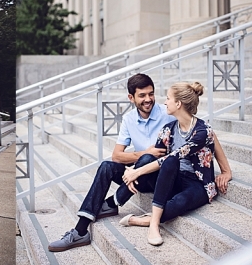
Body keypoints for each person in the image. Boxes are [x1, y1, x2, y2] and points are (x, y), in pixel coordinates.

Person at [48, 74, 232, 252]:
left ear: (176, 103)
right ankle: (81, 230)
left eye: (152, 94)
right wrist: (144, 157)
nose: (150, 99)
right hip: (158, 175)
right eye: (142, 95)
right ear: (131, 97)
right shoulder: (152, 124)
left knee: (155, 162)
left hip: (174, 175)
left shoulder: (173, 115)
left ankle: (124, 207)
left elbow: (206, 136)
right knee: (110, 166)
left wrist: (226, 171)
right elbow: (117, 156)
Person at [119, 82, 219, 246]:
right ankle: (148, 221)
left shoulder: (202, 130)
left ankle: (148, 221)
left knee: (179, 199)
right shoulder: (168, 129)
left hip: (198, 184)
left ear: (178, 104)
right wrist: (133, 169)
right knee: (169, 162)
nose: (164, 102)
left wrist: (136, 172)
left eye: (168, 98)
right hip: (175, 178)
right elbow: (155, 157)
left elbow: (174, 155)